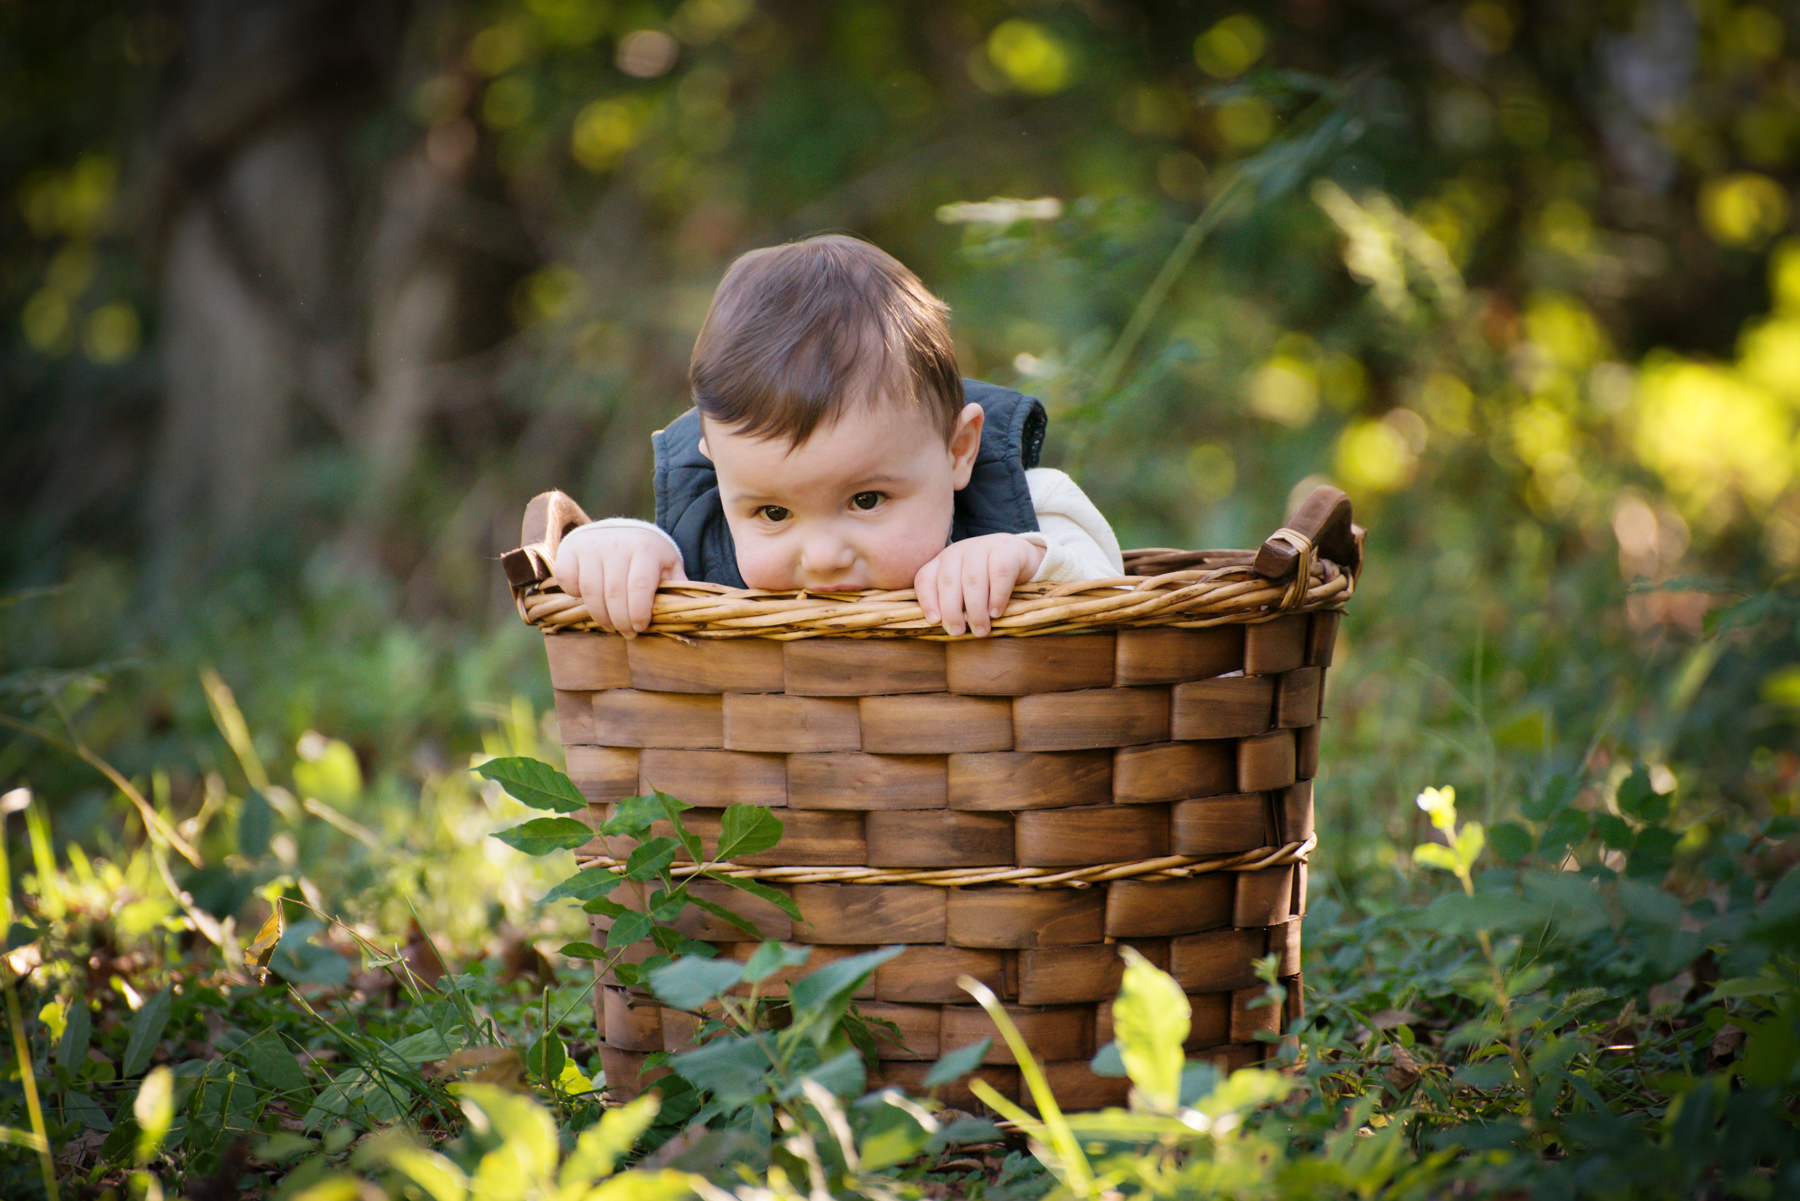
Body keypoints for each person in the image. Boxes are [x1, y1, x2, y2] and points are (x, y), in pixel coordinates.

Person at [553, 234, 1122, 638]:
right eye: (773, 513)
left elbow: (1115, 598)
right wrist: (618, 548)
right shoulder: (704, 529)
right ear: (718, 472)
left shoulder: (1026, 506)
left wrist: (1024, 558)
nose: (823, 557)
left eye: (867, 500)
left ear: (958, 449)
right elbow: (632, 558)